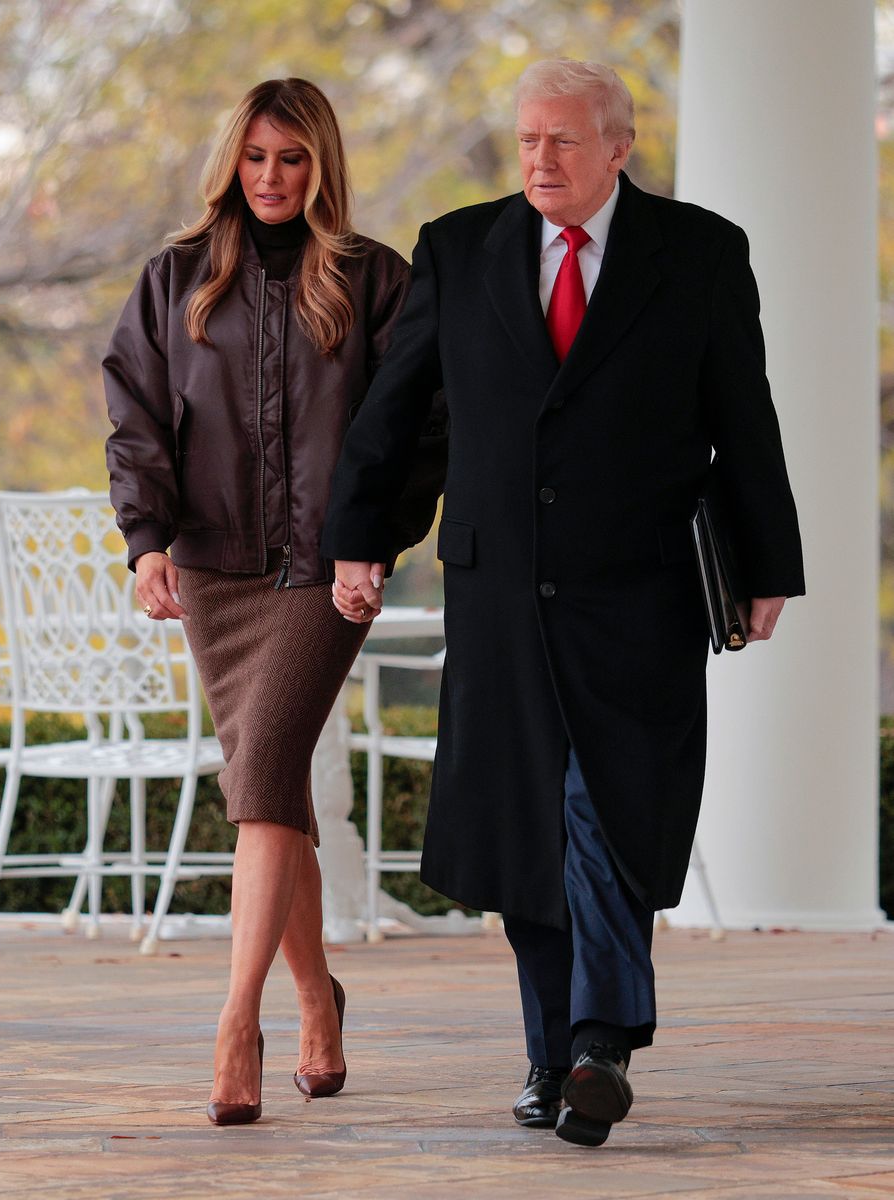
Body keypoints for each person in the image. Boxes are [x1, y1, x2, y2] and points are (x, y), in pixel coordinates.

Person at [320, 59, 804, 1147]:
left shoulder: (700, 254)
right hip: (497, 593)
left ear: (620, 147)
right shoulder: (457, 247)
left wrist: (768, 561)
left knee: (604, 811)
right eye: (528, 140)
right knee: (526, 829)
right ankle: (559, 1058)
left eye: (564, 142)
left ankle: (598, 1044)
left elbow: (746, 414)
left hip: (641, 593)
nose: (539, 159)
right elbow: (393, 414)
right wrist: (359, 540)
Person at [103, 77, 442, 1125]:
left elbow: (415, 428)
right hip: (211, 567)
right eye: (254, 157)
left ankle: (235, 1021)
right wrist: (145, 540)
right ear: (231, 161)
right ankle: (316, 1000)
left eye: (292, 159)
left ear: (321, 165)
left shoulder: (376, 280)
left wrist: (369, 544)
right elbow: (139, 415)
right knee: (274, 784)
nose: (270, 178)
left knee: (259, 775)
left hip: (323, 572)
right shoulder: (176, 278)